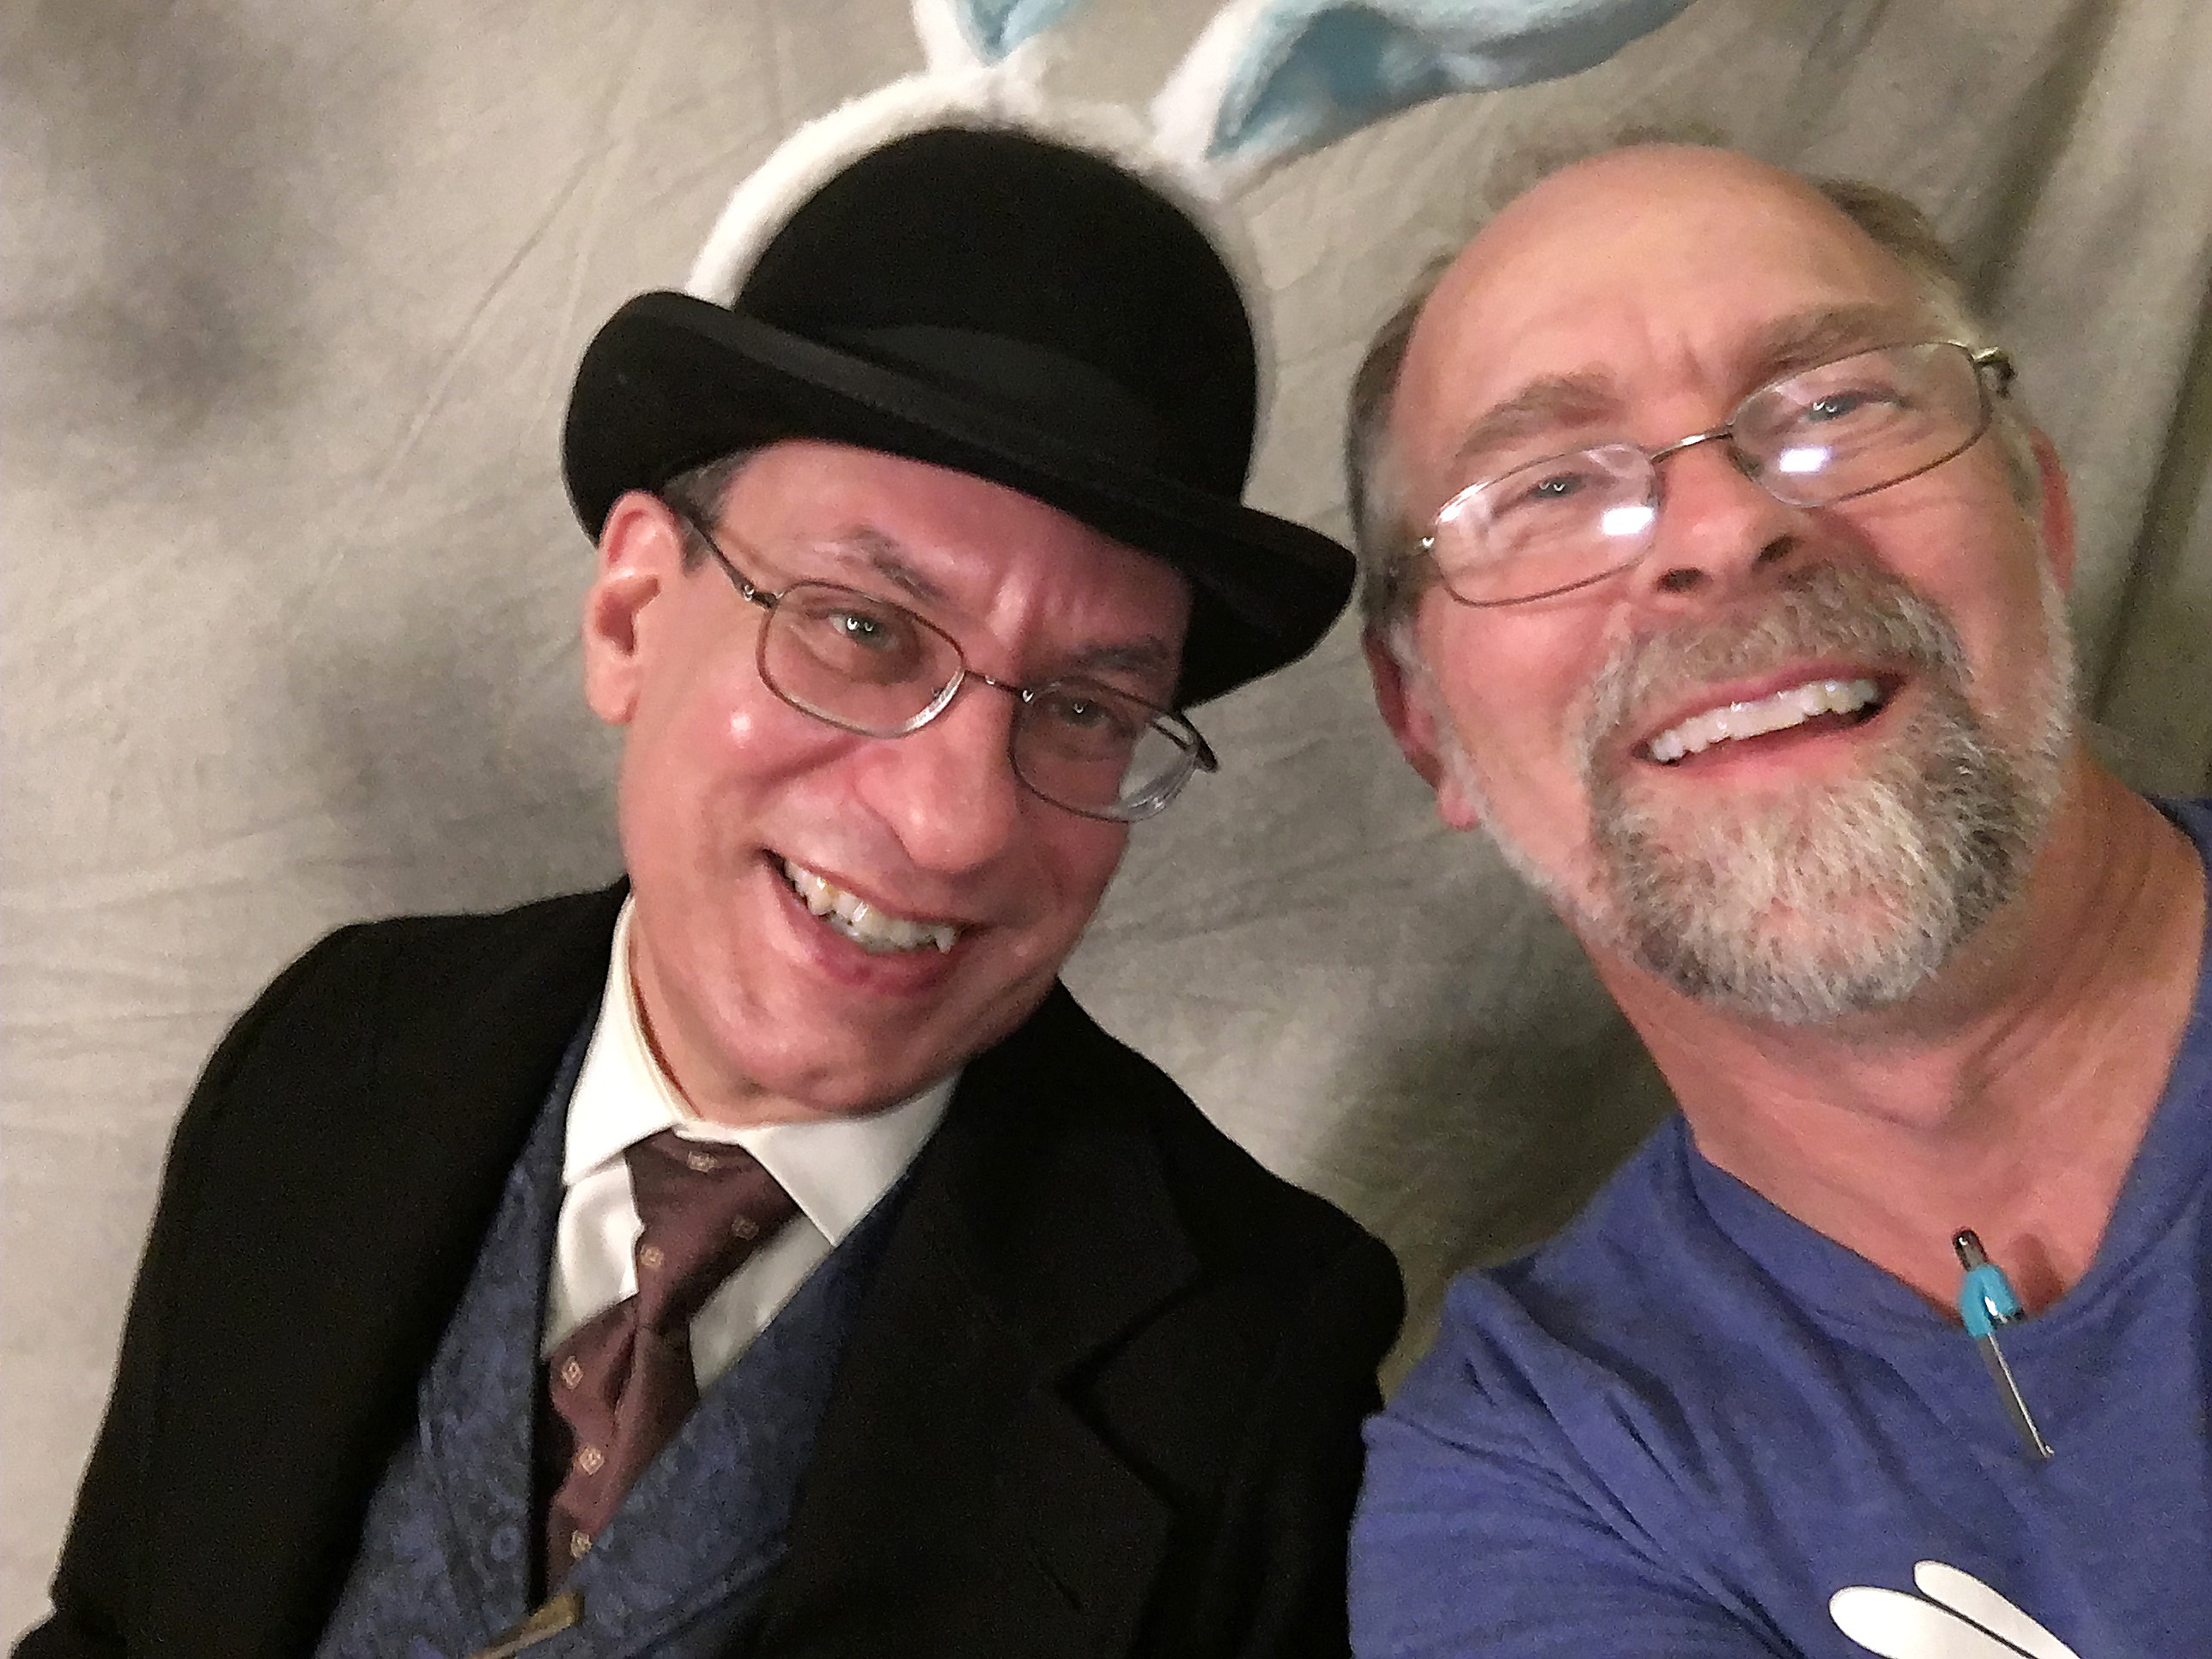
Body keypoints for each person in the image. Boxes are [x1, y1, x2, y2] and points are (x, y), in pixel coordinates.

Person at [19, 125, 1404, 1659]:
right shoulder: (328, 1047)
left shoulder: (1254, 1370)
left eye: (1084, 709)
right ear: (629, 614)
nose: (954, 825)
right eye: (863, 629)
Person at [1343, 140, 2209, 1657]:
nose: (1723, 529)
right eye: (1550, 487)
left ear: (2043, 521)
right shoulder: (1535, 1487)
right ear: (1426, 725)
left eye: (1833, 406)